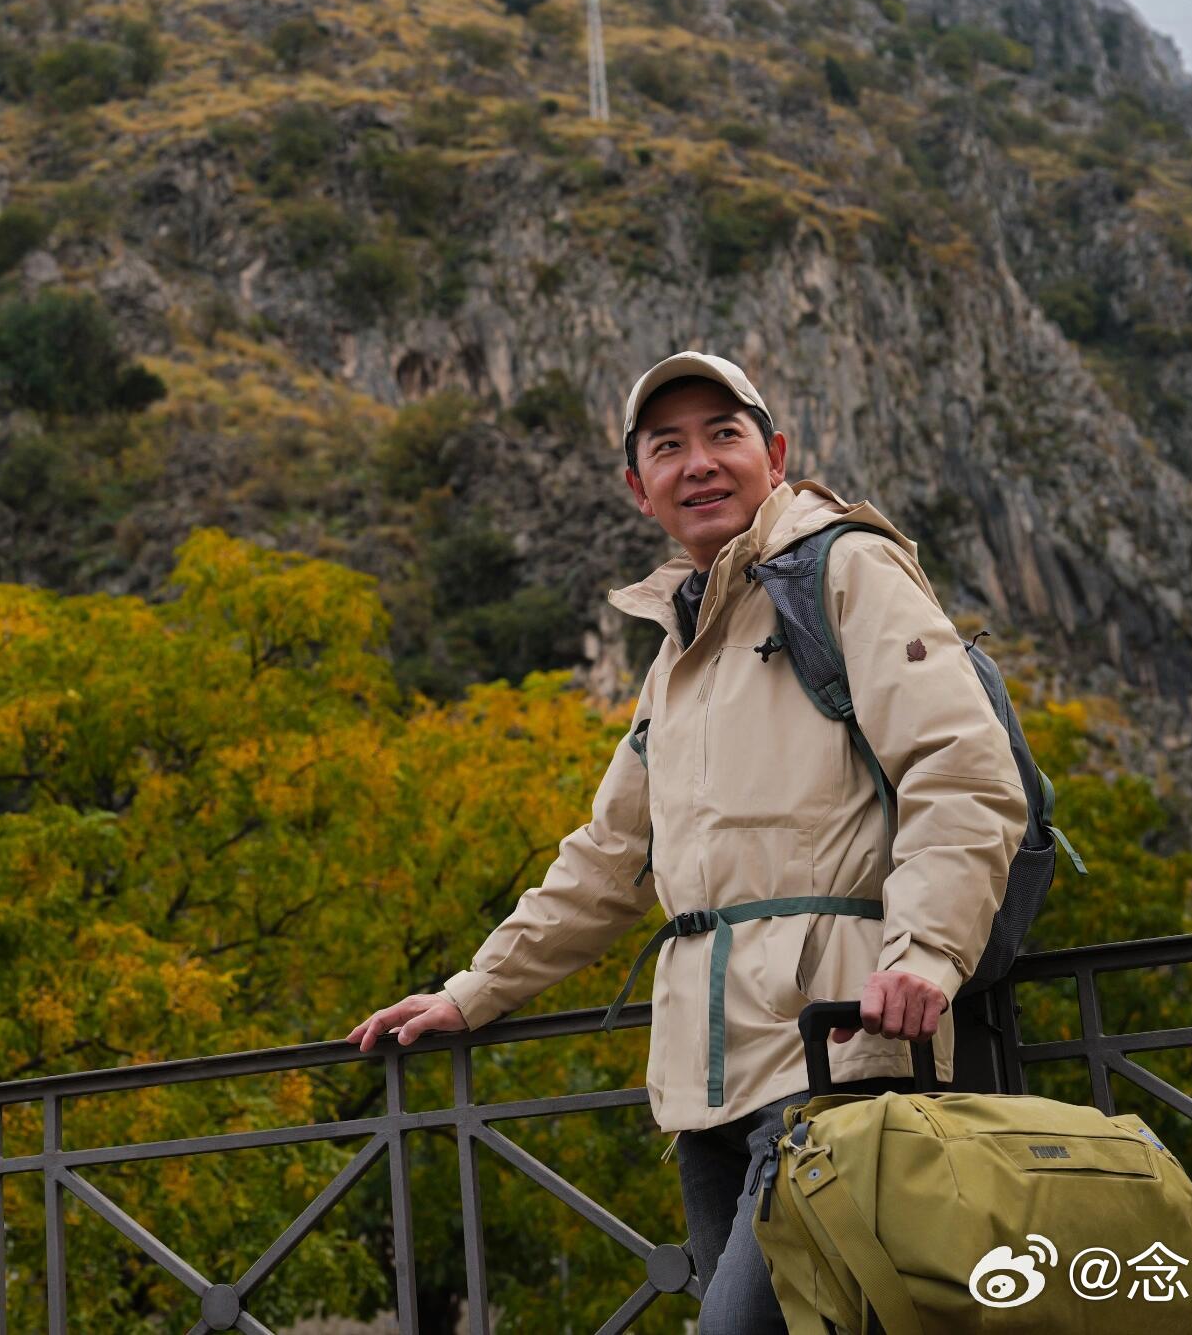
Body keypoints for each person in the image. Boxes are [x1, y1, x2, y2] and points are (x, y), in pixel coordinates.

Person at [346, 350, 1030, 1332]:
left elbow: (960, 771)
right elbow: (607, 858)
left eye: (724, 433)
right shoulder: (681, 649)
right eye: (668, 445)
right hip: (711, 1080)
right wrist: (471, 991)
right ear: (638, 487)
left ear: (775, 452)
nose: (698, 461)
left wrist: (925, 947)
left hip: (841, 1046)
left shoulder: (847, 569)